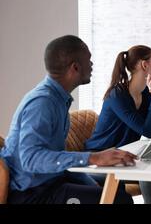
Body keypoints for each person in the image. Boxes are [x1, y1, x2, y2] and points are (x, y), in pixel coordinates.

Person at [0, 35, 136, 204]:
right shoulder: (42, 103)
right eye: (89, 60)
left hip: (51, 180)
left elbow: (57, 158)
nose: (92, 65)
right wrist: (93, 158)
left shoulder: (57, 99)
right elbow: (31, 159)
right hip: (31, 194)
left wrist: (92, 184)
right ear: (75, 67)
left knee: (115, 187)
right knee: (119, 200)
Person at [84, 45, 151, 204]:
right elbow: (147, 131)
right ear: (144, 65)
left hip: (123, 154)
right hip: (101, 156)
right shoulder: (117, 95)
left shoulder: (144, 93)